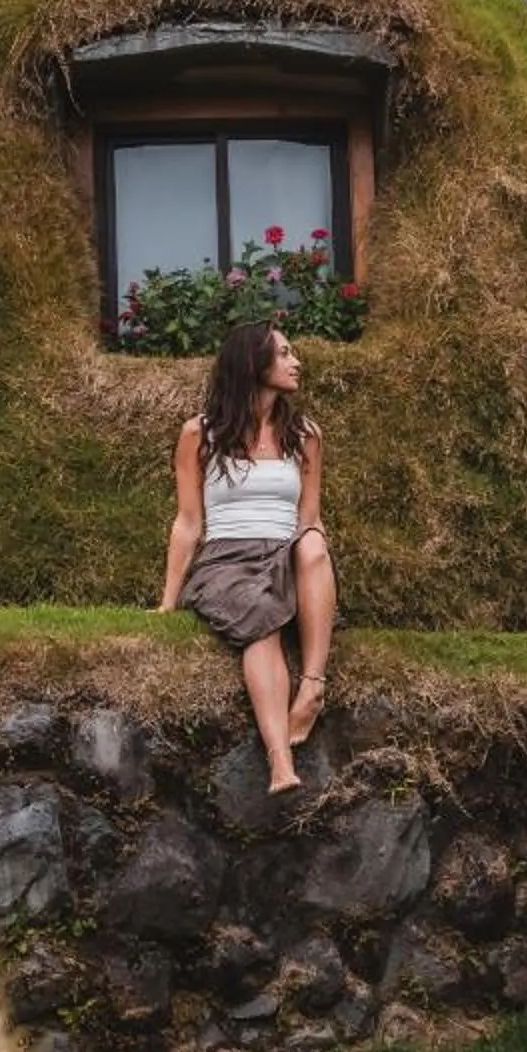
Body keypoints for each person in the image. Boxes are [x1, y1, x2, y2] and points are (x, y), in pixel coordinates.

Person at [155, 319, 339, 794]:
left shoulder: (305, 435)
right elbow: (188, 522)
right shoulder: (201, 434)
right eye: (283, 354)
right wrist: (168, 601)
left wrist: (303, 561)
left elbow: (310, 518)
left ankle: (313, 686)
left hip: (284, 552)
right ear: (252, 364)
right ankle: (280, 762)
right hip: (225, 562)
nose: (295, 362)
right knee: (260, 615)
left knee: (316, 544)